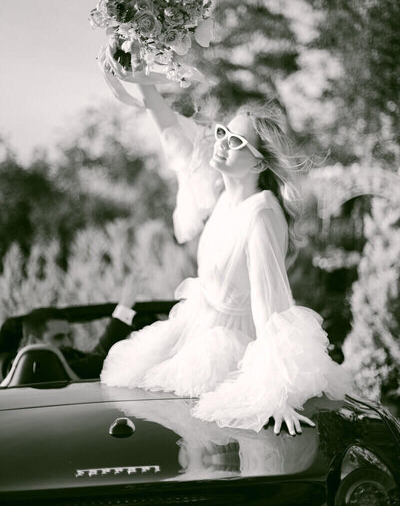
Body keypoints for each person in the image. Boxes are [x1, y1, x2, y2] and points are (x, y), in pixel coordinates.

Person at [100, 71, 353, 436]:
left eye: (235, 141)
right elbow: (172, 132)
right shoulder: (219, 189)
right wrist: (137, 74)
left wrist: (276, 391)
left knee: (206, 449)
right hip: (192, 326)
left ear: (260, 163)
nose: (221, 142)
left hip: (229, 352)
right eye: (222, 132)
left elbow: (272, 308)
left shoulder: (262, 212)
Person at [0, 275, 139, 381]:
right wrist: (125, 306)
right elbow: (97, 362)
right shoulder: (22, 368)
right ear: (33, 340)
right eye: (58, 337)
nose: (67, 343)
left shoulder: (68, 357)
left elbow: (95, 358)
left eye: (69, 336)